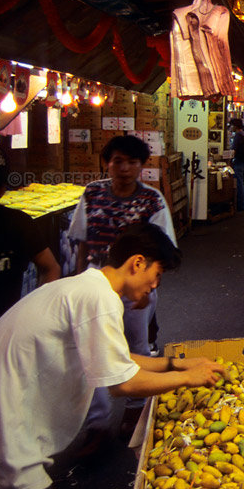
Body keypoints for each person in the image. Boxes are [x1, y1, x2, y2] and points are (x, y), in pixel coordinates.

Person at [0, 223, 225, 489]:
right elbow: (122, 384)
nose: (154, 286)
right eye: (157, 274)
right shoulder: (99, 298)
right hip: (8, 422)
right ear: (137, 263)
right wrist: (188, 378)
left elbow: (118, 357)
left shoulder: (87, 286)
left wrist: (175, 364)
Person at [68, 134, 176, 439]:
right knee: (93, 353)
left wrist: (149, 291)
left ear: (141, 166)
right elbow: (81, 241)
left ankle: (135, 409)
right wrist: (79, 279)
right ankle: (96, 424)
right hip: (96, 284)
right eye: (118, 161)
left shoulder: (152, 200)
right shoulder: (92, 194)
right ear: (107, 163)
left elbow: (162, 252)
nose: (124, 168)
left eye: (132, 162)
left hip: (136, 291)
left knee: (136, 347)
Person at [0, 148, 60, 320]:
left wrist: (33, 314)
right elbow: (51, 268)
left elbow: (50, 268)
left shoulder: (19, 223)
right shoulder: (21, 222)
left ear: (1, 189)